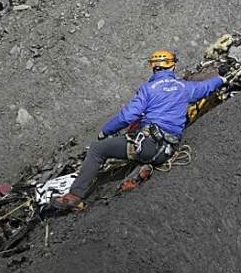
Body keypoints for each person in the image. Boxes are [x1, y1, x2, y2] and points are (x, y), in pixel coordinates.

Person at [51, 49, 226, 211]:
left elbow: (127, 117)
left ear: (154, 68)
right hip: (168, 150)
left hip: (148, 145)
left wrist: (104, 132)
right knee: (139, 143)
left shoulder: (148, 90)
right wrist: (222, 78)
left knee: (98, 149)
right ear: (172, 66)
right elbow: (206, 88)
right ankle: (144, 168)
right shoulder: (184, 88)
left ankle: (74, 196)